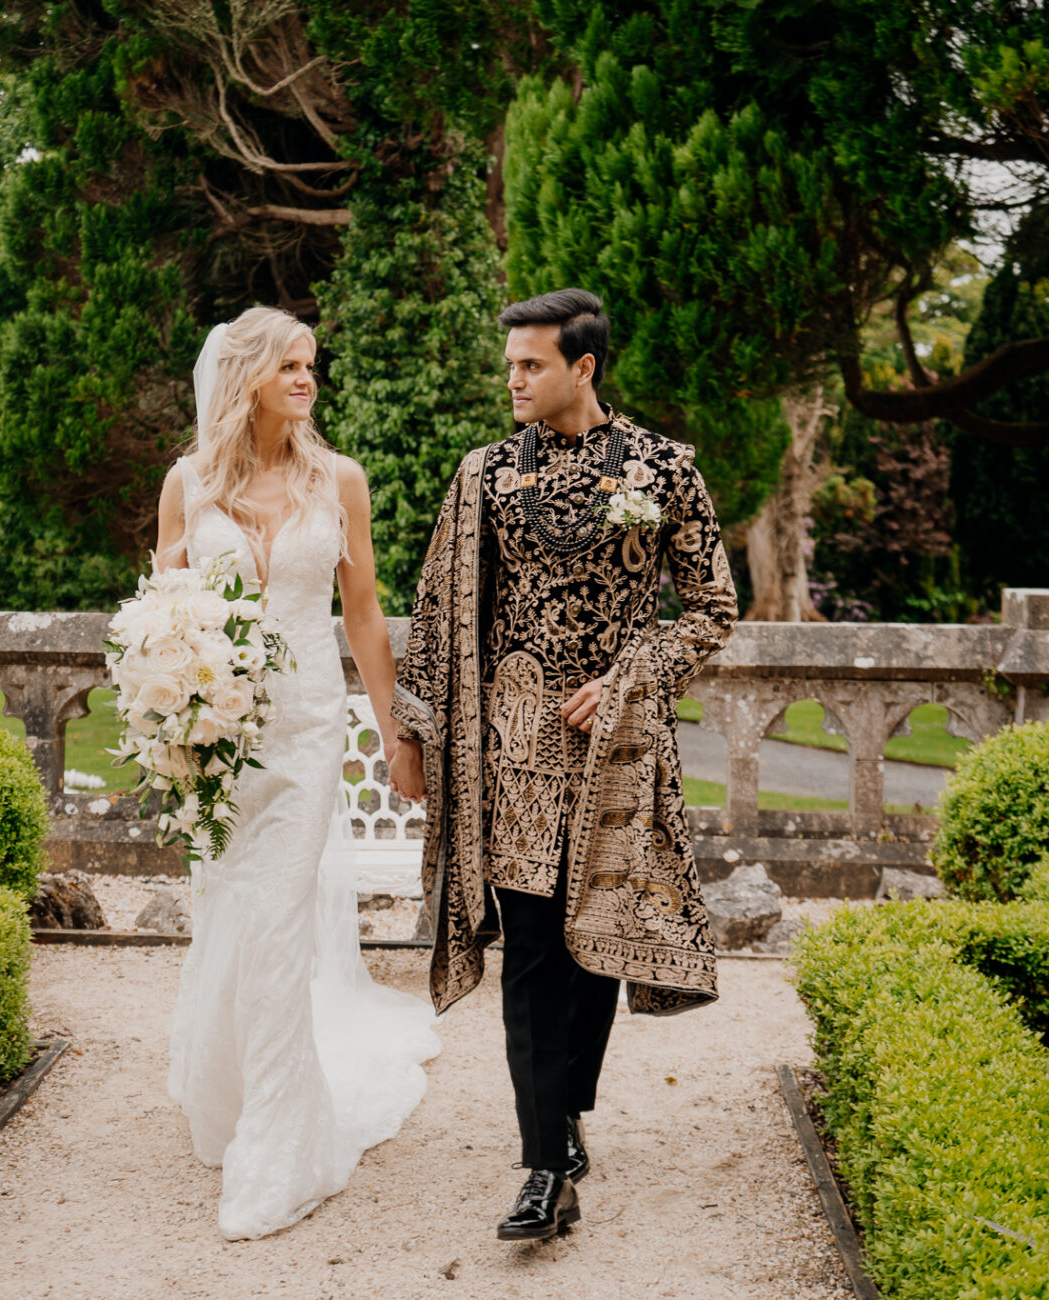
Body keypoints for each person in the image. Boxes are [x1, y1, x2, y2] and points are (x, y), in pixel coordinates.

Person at [387, 288, 738, 1240]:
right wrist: (411, 733)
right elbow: (437, 609)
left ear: (583, 368)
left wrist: (634, 673)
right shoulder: (487, 475)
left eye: (530, 365)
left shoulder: (666, 468)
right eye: (509, 365)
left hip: (618, 753)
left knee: (594, 949)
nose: (514, 380)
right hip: (514, 750)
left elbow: (712, 608)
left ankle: (568, 1110)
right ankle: (543, 1164)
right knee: (536, 949)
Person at [157, 305, 439, 1240]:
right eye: (290, 365)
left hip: (312, 729)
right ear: (246, 376)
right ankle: (233, 1098)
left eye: (312, 365)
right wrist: (167, 711)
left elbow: (362, 617)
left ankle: (279, 1153)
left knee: (279, 918)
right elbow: (163, 610)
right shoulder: (188, 484)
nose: (307, 379)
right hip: (221, 740)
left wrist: (399, 731)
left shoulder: (340, 480)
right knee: (235, 911)